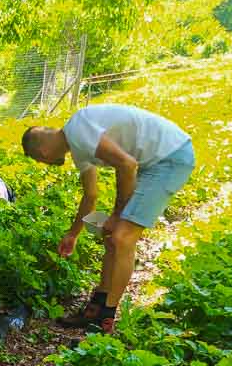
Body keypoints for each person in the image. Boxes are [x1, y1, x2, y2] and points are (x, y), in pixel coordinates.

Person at [21, 104, 195, 333]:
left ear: (42, 152)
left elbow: (127, 164)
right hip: (156, 160)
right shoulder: (77, 144)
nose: (45, 162)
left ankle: (106, 318)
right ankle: (99, 304)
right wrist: (73, 234)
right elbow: (91, 195)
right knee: (113, 236)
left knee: (122, 238)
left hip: (170, 158)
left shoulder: (79, 131)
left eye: (39, 160)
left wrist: (116, 215)